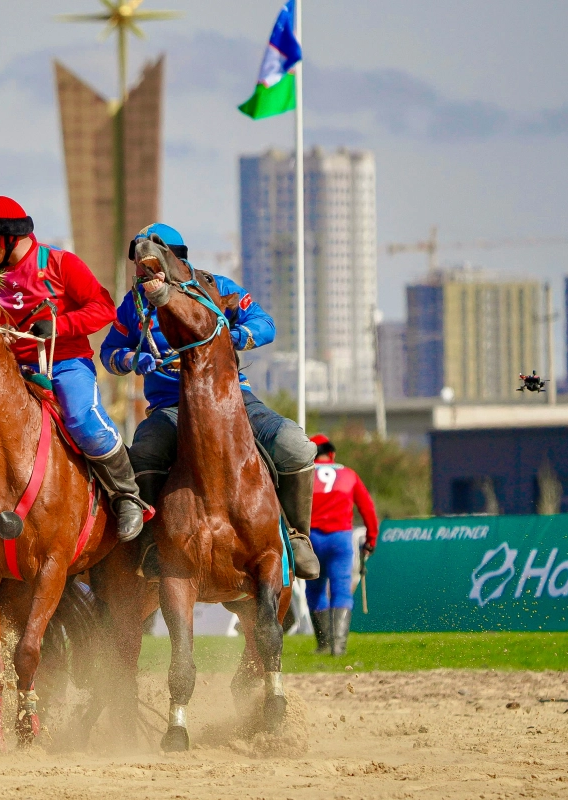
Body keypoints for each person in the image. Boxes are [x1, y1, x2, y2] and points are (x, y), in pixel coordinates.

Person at [99, 223, 320, 579]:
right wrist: (130, 359)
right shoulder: (134, 304)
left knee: (295, 445)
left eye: (150, 263)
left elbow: (264, 322)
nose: (141, 271)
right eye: (138, 264)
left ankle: (297, 536)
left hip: (232, 399)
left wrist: (233, 337)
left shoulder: (214, 288)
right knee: (143, 452)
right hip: (170, 408)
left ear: (174, 259)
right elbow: (110, 351)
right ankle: (154, 543)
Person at [0, 196, 148, 541]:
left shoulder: (61, 264)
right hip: (5, 370)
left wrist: (58, 325)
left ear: (7, 238)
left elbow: (104, 308)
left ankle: (126, 497)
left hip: (64, 363)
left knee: (84, 419)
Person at [307, 433, 378, 657]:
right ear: (332, 453)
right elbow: (367, 509)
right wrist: (371, 540)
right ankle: (338, 647)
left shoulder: (304, 474)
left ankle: (324, 644)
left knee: (315, 589)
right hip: (340, 539)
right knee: (341, 589)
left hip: (312, 539)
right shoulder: (349, 474)